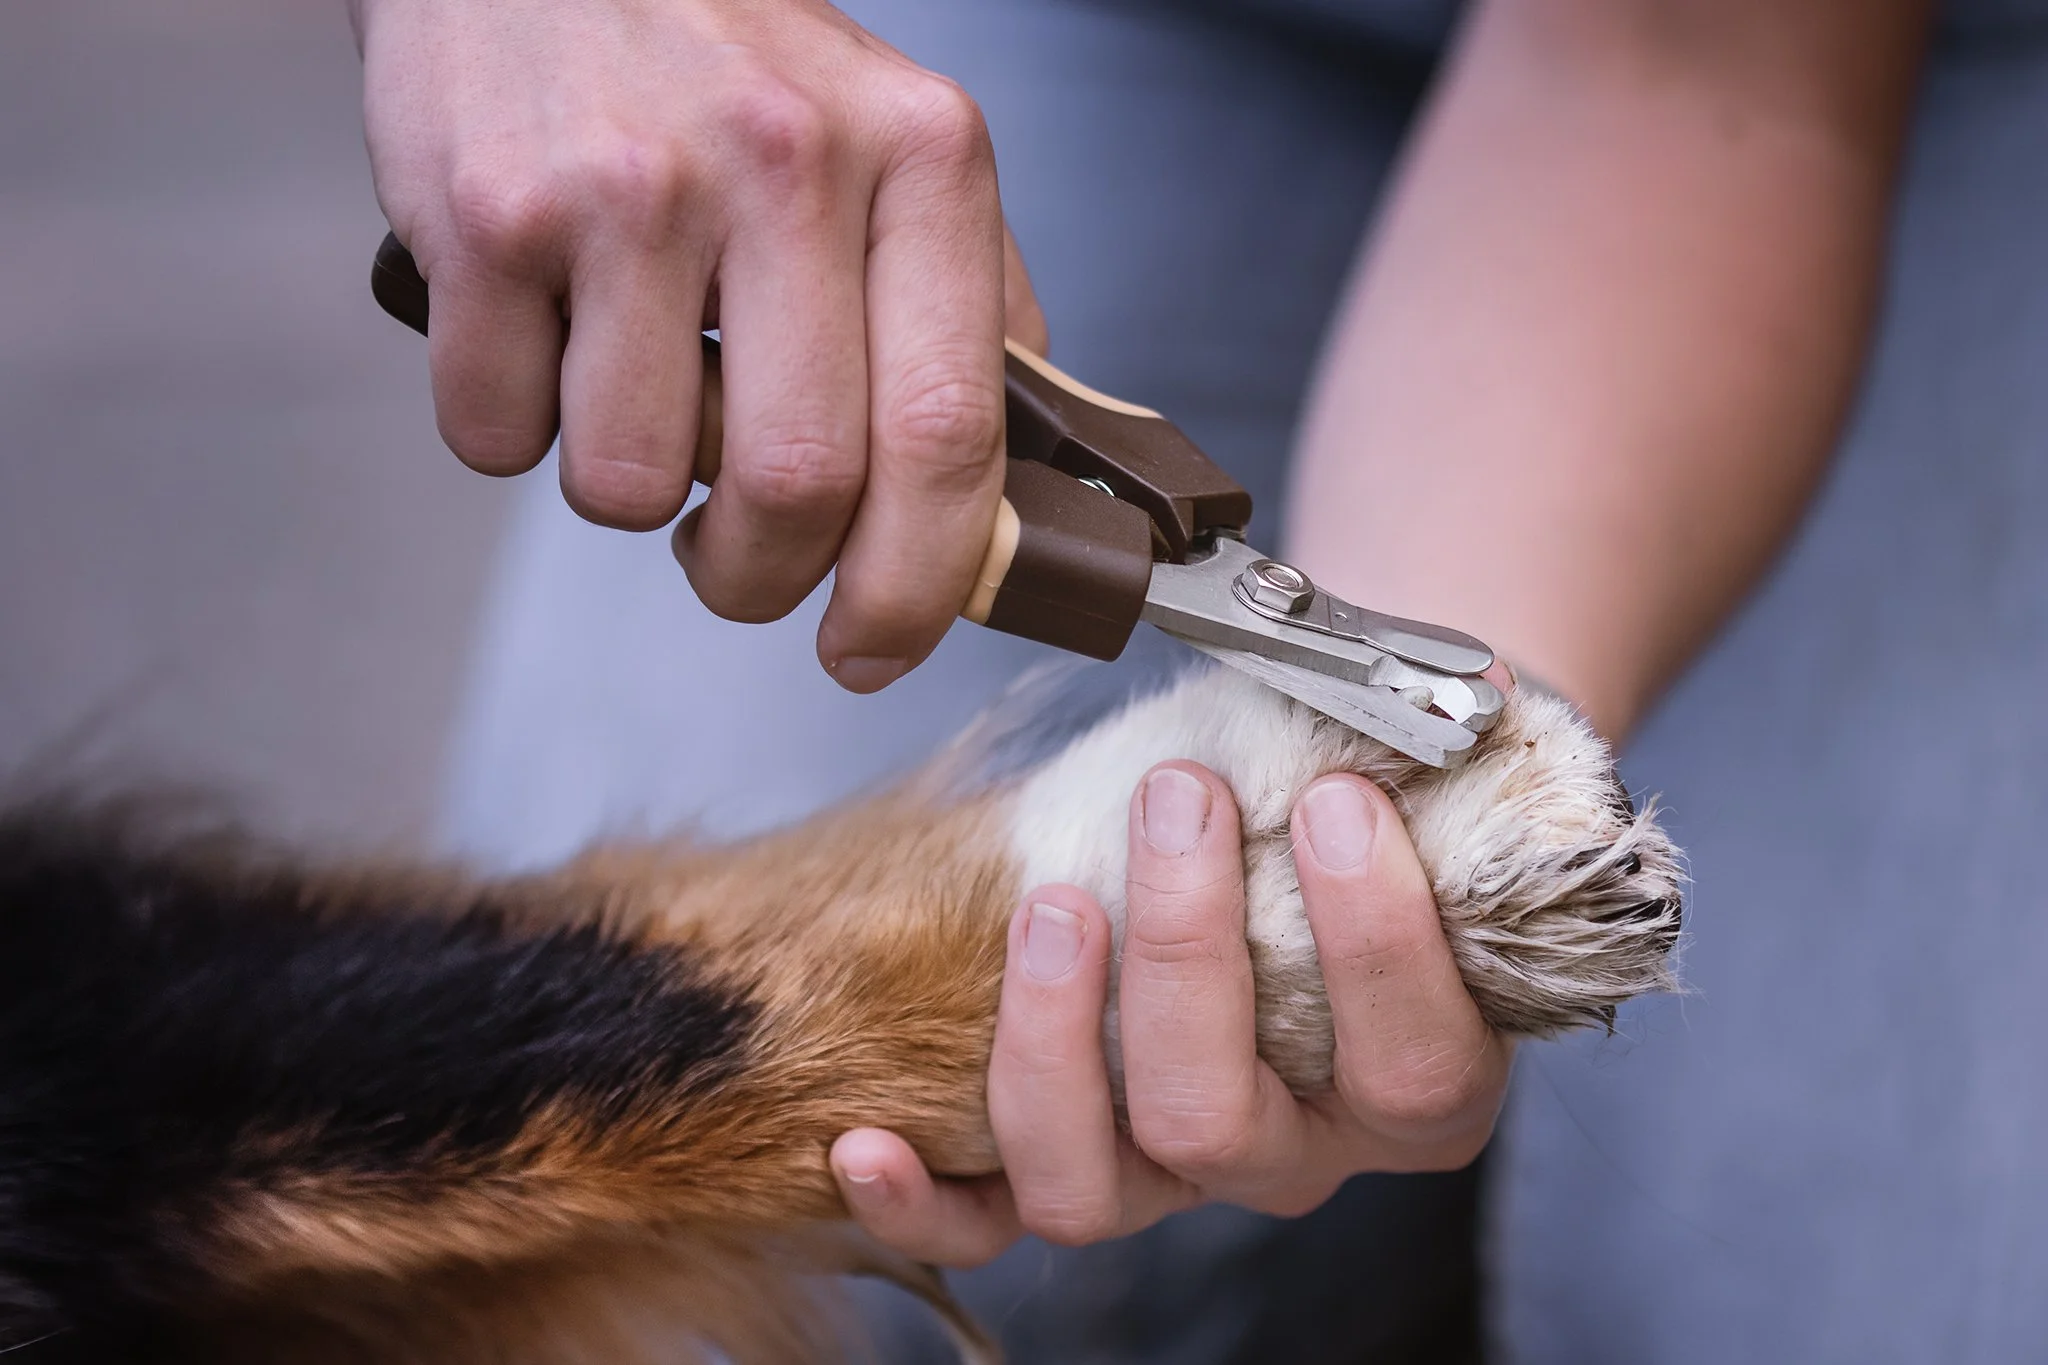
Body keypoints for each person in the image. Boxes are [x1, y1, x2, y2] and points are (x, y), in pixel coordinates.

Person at [353, 0, 2048, 1357]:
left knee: (1843, 1292)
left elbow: (1681, 74)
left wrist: (1414, 768)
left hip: (1821, 65)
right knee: (629, 1169)